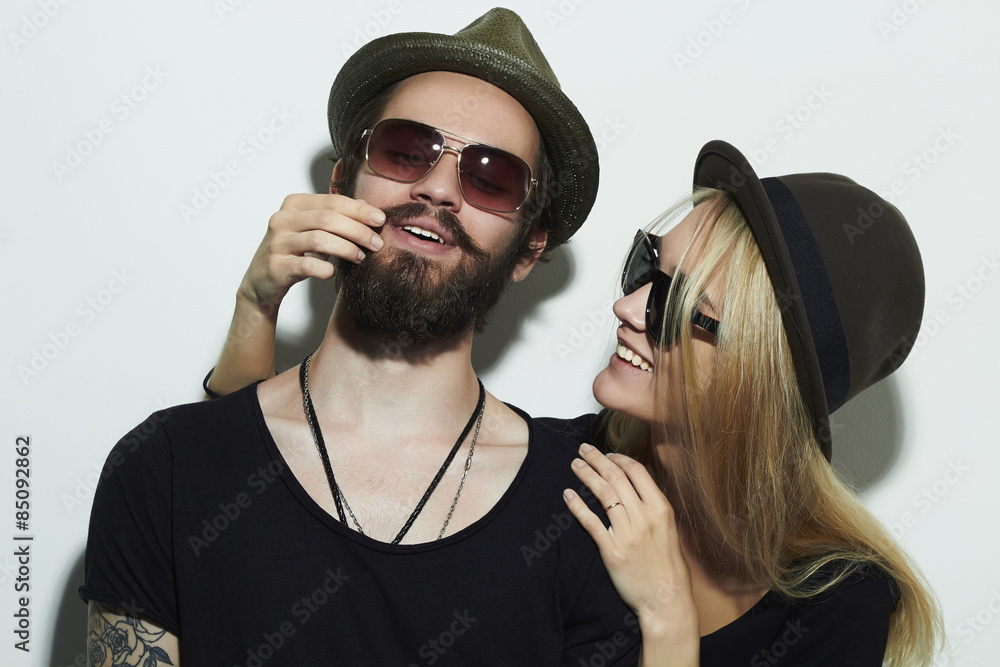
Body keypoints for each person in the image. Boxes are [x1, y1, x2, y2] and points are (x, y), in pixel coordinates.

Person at [211, 141, 944, 665]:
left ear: (762, 374)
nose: (627, 307)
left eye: (678, 305)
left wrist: (665, 620)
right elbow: (260, 528)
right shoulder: (553, 474)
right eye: (644, 269)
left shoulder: (841, 604)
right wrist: (256, 310)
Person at [79, 9, 642, 665]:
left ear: (528, 249)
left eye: (491, 177)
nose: (437, 188)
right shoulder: (164, 467)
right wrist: (253, 312)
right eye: (406, 150)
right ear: (343, 180)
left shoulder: (588, 499)